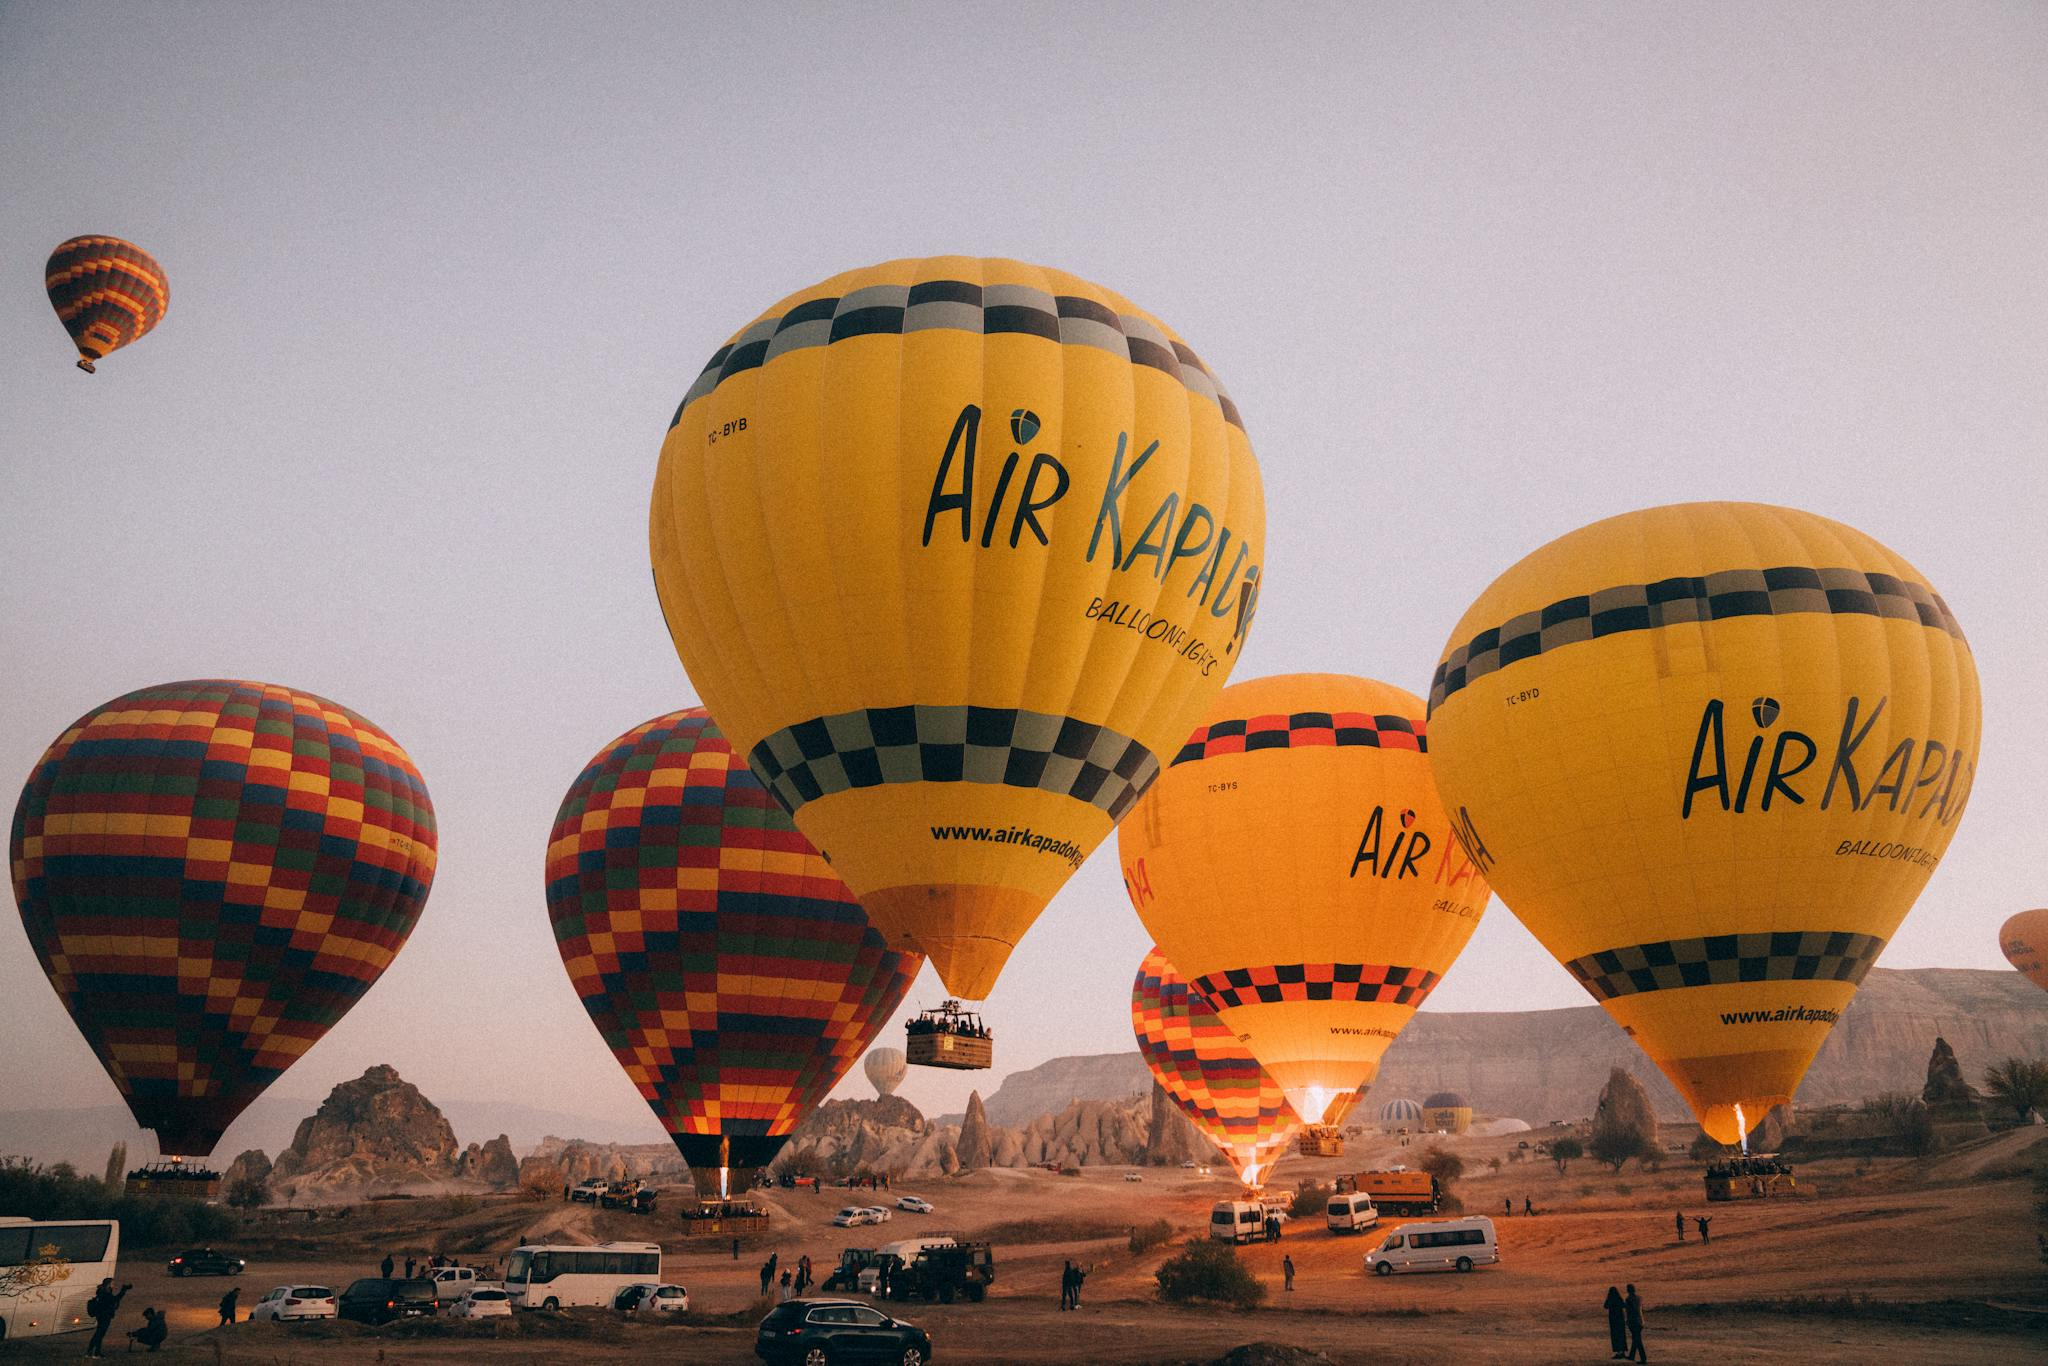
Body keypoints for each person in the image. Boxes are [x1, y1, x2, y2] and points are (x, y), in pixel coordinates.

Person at [84, 1278, 129, 1358]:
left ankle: (92, 1352)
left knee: (99, 1334)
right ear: (108, 1284)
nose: (113, 1285)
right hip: (104, 1316)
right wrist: (123, 1291)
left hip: (101, 1315)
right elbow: (114, 1299)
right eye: (112, 1284)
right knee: (99, 1334)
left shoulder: (102, 1292)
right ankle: (94, 1353)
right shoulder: (105, 1293)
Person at [1624, 1284, 1647, 1362]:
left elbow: (1630, 1311)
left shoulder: (1628, 1299)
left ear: (1628, 1290)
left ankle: (1643, 1358)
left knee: (1637, 1340)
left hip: (1633, 1321)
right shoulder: (1639, 1298)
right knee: (1635, 1338)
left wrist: (1627, 1320)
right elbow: (1639, 1309)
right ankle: (1632, 1356)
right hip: (1640, 1320)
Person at [1603, 1285, 1627, 1358]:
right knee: (1621, 1335)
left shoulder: (1610, 1299)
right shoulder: (1619, 1299)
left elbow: (1605, 1306)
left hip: (1613, 1320)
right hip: (1620, 1319)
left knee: (1615, 1336)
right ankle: (1622, 1351)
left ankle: (1618, 1352)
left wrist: (1608, 1298)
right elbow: (1624, 1305)